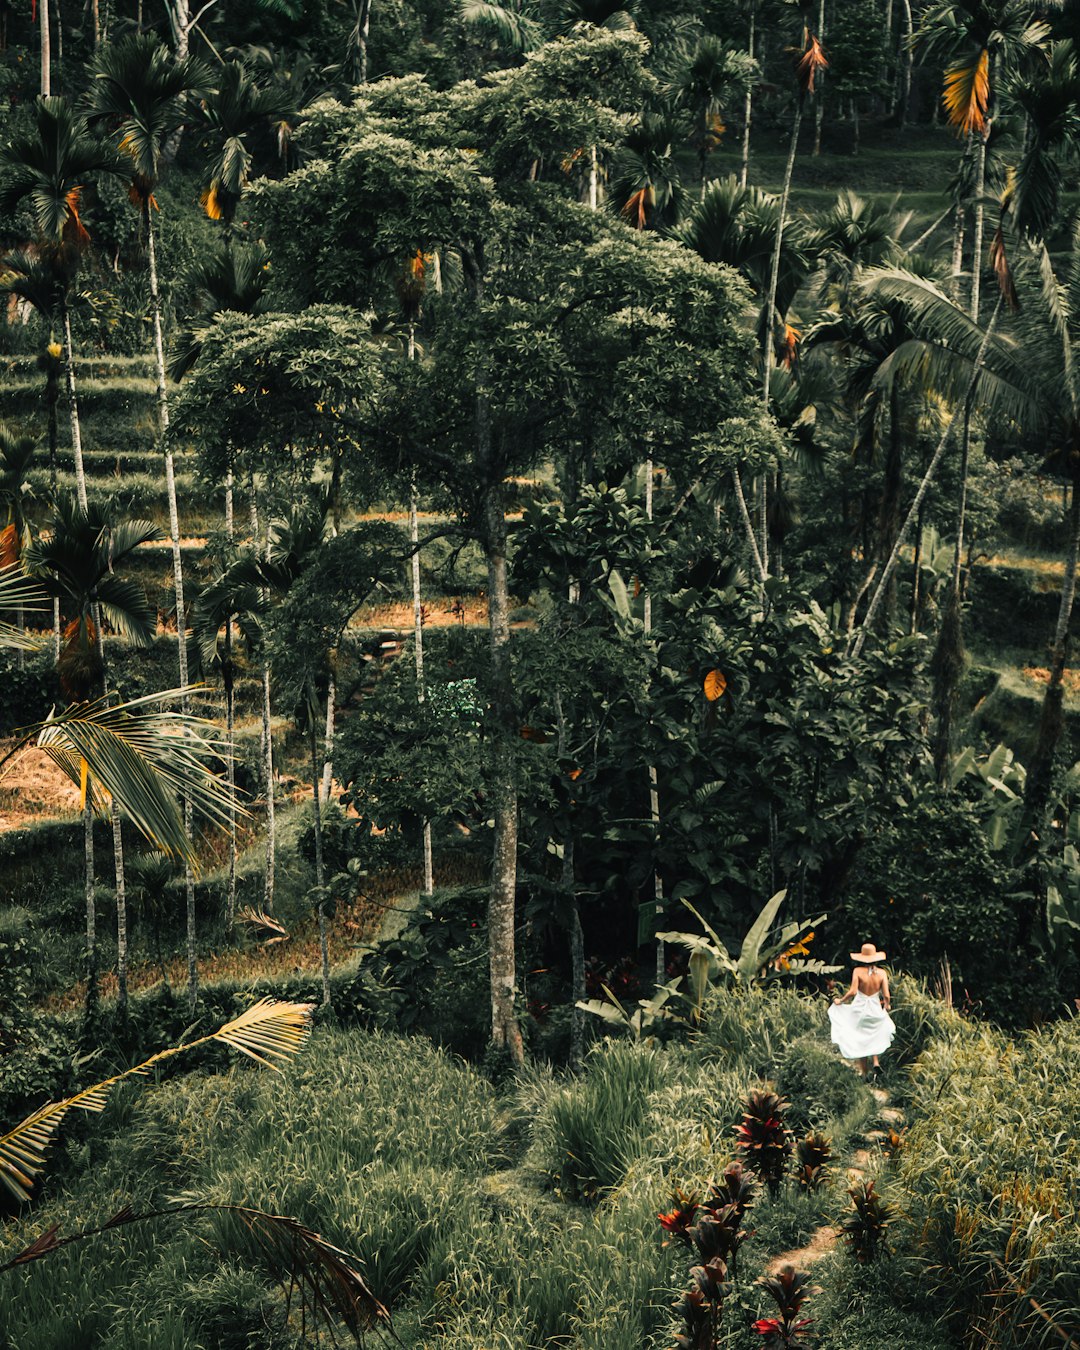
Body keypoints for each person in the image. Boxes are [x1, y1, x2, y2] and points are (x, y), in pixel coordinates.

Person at [828, 942, 895, 1079]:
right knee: (873, 1035)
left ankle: (864, 1074)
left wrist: (840, 1001)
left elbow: (853, 992)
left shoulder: (858, 971)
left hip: (859, 1009)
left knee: (860, 1038)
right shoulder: (882, 973)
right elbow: (886, 995)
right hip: (875, 1008)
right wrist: (886, 1005)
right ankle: (875, 1062)